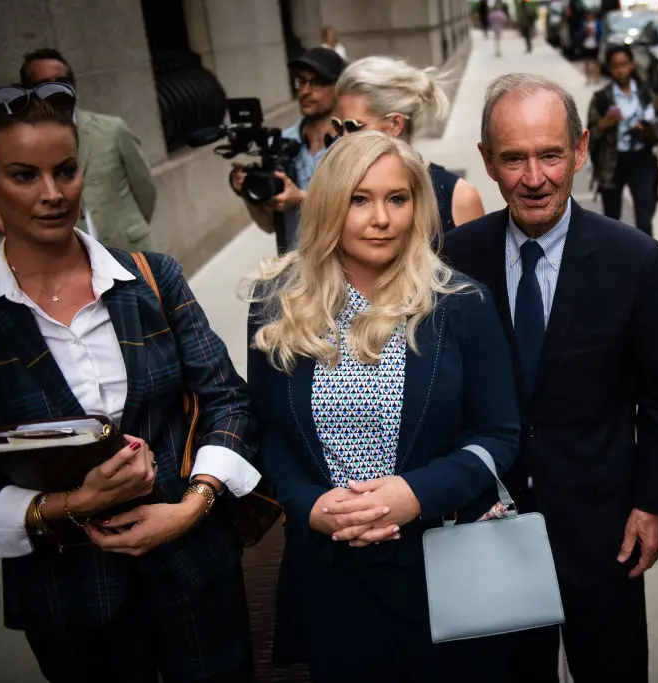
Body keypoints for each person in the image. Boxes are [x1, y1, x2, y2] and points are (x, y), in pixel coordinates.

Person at [0, 83, 259, 682]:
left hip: (195, 573)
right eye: (24, 175)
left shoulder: (151, 279)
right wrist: (69, 506)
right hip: (67, 598)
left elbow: (227, 400)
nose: (53, 194)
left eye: (66, 170)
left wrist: (194, 503)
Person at [244, 131, 520, 683]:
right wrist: (310, 506)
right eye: (360, 199)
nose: (381, 218)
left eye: (397, 198)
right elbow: (269, 434)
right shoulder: (279, 305)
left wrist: (415, 493)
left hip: (438, 563)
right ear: (329, 204)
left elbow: (500, 436)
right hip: (330, 570)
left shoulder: (459, 302)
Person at [443, 73, 658, 683]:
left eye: (551, 154)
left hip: (603, 529)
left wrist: (652, 503)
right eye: (514, 158)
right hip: (486, 526)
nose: (534, 177)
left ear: (580, 150)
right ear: (486, 163)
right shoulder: (453, 257)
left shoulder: (633, 259)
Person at [20, 48, 157, 253]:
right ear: (28, 91)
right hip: (73, 260)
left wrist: (131, 231)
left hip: (130, 251)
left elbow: (145, 188)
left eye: (62, 81)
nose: (56, 89)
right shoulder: (24, 146)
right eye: (44, 84)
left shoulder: (112, 129)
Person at [332, 56, 486, 233]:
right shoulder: (338, 188)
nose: (343, 137)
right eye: (337, 126)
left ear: (395, 125)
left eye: (353, 126)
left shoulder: (459, 197)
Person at [231, 47, 346, 254]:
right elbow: (269, 225)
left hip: (344, 269)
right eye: (301, 81)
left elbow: (361, 209)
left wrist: (302, 198)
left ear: (339, 87)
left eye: (317, 83)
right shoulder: (280, 142)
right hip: (295, 272)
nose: (305, 91)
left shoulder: (352, 142)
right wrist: (249, 194)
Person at [587, 46, 658, 235]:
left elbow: (657, 131)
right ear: (609, 69)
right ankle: (616, 262)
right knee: (612, 222)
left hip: (641, 159)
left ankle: (645, 260)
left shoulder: (644, 93)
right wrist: (605, 123)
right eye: (615, 66)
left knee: (645, 218)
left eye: (624, 65)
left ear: (632, 65)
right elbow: (590, 134)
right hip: (612, 162)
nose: (621, 70)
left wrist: (646, 130)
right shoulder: (602, 98)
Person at [581, 12, 602, 85]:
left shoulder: (598, 23)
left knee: (597, 62)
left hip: (596, 44)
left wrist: (594, 31)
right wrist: (585, 30)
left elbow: (601, 32)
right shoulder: (584, 23)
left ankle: (597, 78)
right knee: (587, 62)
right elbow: (581, 34)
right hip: (587, 44)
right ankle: (588, 78)